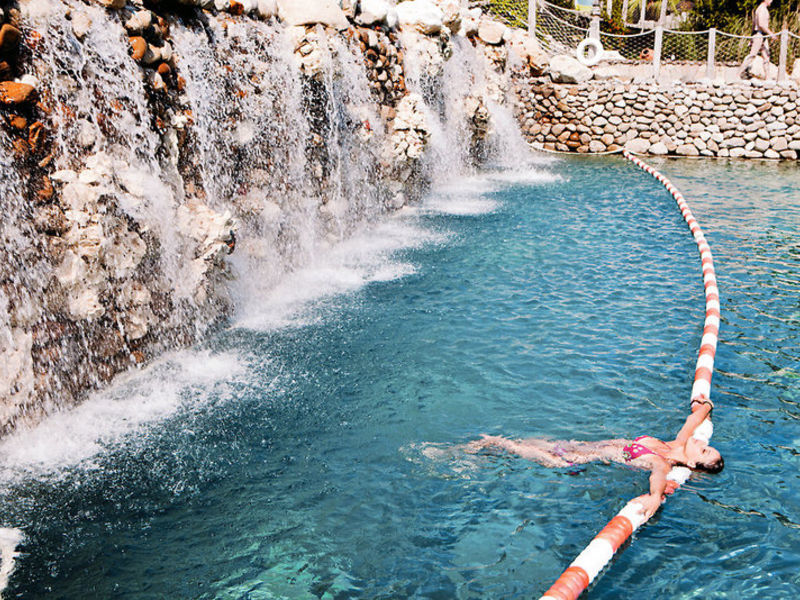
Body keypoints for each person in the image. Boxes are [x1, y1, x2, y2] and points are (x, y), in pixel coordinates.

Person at [468, 397, 722, 519]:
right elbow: (693, 419)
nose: (703, 443)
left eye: (704, 451)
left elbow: (657, 477)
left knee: (505, 445)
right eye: (708, 447)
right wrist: (708, 405)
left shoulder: (662, 462)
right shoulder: (677, 443)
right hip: (578, 446)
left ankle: (479, 448)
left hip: (573, 461)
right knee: (519, 443)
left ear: (691, 464)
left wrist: (655, 497)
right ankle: (480, 449)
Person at [739, 0, 774, 79]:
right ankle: (738, 74)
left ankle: (768, 78)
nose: (771, 1)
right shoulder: (761, 9)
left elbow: (754, 24)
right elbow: (761, 24)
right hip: (759, 35)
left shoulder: (763, 9)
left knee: (766, 56)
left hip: (763, 35)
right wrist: (771, 33)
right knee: (752, 55)